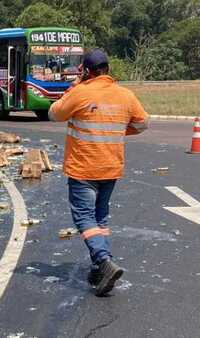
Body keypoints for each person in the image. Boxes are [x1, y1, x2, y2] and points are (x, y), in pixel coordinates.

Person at [48, 49, 149, 296]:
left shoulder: (80, 92)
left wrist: (72, 88)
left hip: (84, 167)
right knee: (100, 217)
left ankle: (104, 260)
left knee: (84, 217)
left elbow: (54, 114)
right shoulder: (125, 95)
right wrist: (115, 132)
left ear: (85, 71)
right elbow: (142, 123)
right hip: (111, 166)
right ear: (108, 68)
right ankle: (99, 267)